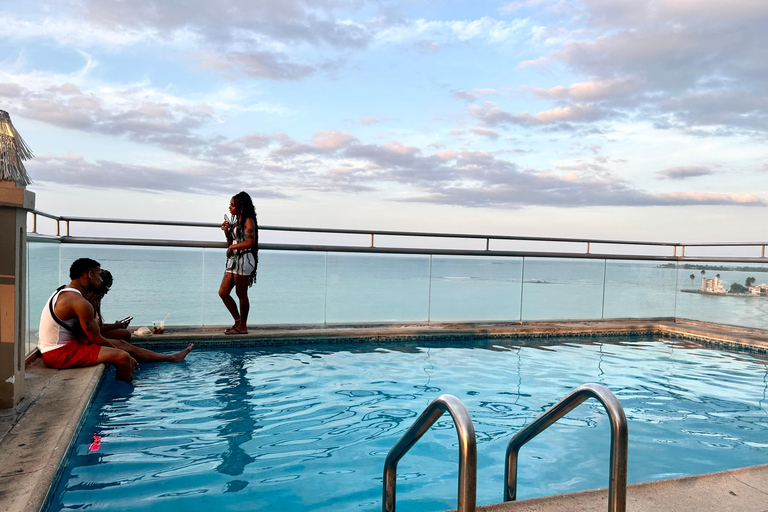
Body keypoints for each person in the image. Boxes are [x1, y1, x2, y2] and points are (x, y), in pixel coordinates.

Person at [39, 258, 193, 382]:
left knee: (122, 343)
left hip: (65, 346)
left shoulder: (64, 291)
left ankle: (171, 358)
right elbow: (95, 338)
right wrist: (120, 352)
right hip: (58, 353)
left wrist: (118, 346)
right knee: (123, 357)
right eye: (98, 275)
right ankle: (124, 397)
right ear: (90, 274)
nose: (100, 280)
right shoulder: (79, 302)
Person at [219, 191, 258, 334]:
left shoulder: (248, 221)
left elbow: (250, 242)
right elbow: (233, 241)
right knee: (223, 292)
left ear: (240, 206)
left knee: (241, 294)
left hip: (244, 260)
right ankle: (238, 321)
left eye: (232, 205)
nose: (229, 207)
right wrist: (227, 231)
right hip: (234, 260)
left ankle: (243, 326)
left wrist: (232, 247)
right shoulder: (237, 222)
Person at [83, 269, 131, 342]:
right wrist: (115, 326)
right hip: (87, 336)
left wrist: (116, 325)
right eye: (106, 288)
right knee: (125, 334)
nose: (106, 292)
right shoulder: (89, 302)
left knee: (122, 333)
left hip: (91, 332)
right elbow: (91, 329)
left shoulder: (93, 300)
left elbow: (96, 325)